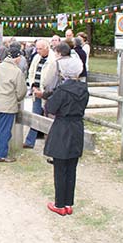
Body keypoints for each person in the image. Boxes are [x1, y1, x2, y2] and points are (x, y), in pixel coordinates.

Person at [44, 57, 89, 216]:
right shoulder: (84, 89)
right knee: (71, 168)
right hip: (77, 127)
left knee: (60, 168)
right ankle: (69, 203)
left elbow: (51, 107)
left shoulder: (62, 90)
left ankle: (59, 204)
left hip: (63, 127)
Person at [0, 44, 27, 162]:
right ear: (18, 57)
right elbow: (21, 91)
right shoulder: (17, 72)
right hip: (8, 104)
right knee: (4, 130)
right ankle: (2, 154)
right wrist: (17, 99)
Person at [24, 39, 57, 149]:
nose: (38, 51)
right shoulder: (36, 57)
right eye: (37, 48)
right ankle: (30, 141)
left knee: (49, 118)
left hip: (47, 93)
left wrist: (44, 92)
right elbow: (31, 72)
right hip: (36, 91)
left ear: (47, 48)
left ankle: (50, 144)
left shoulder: (53, 59)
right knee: (35, 116)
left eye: (40, 49)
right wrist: (33, 86)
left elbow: (52, 78)